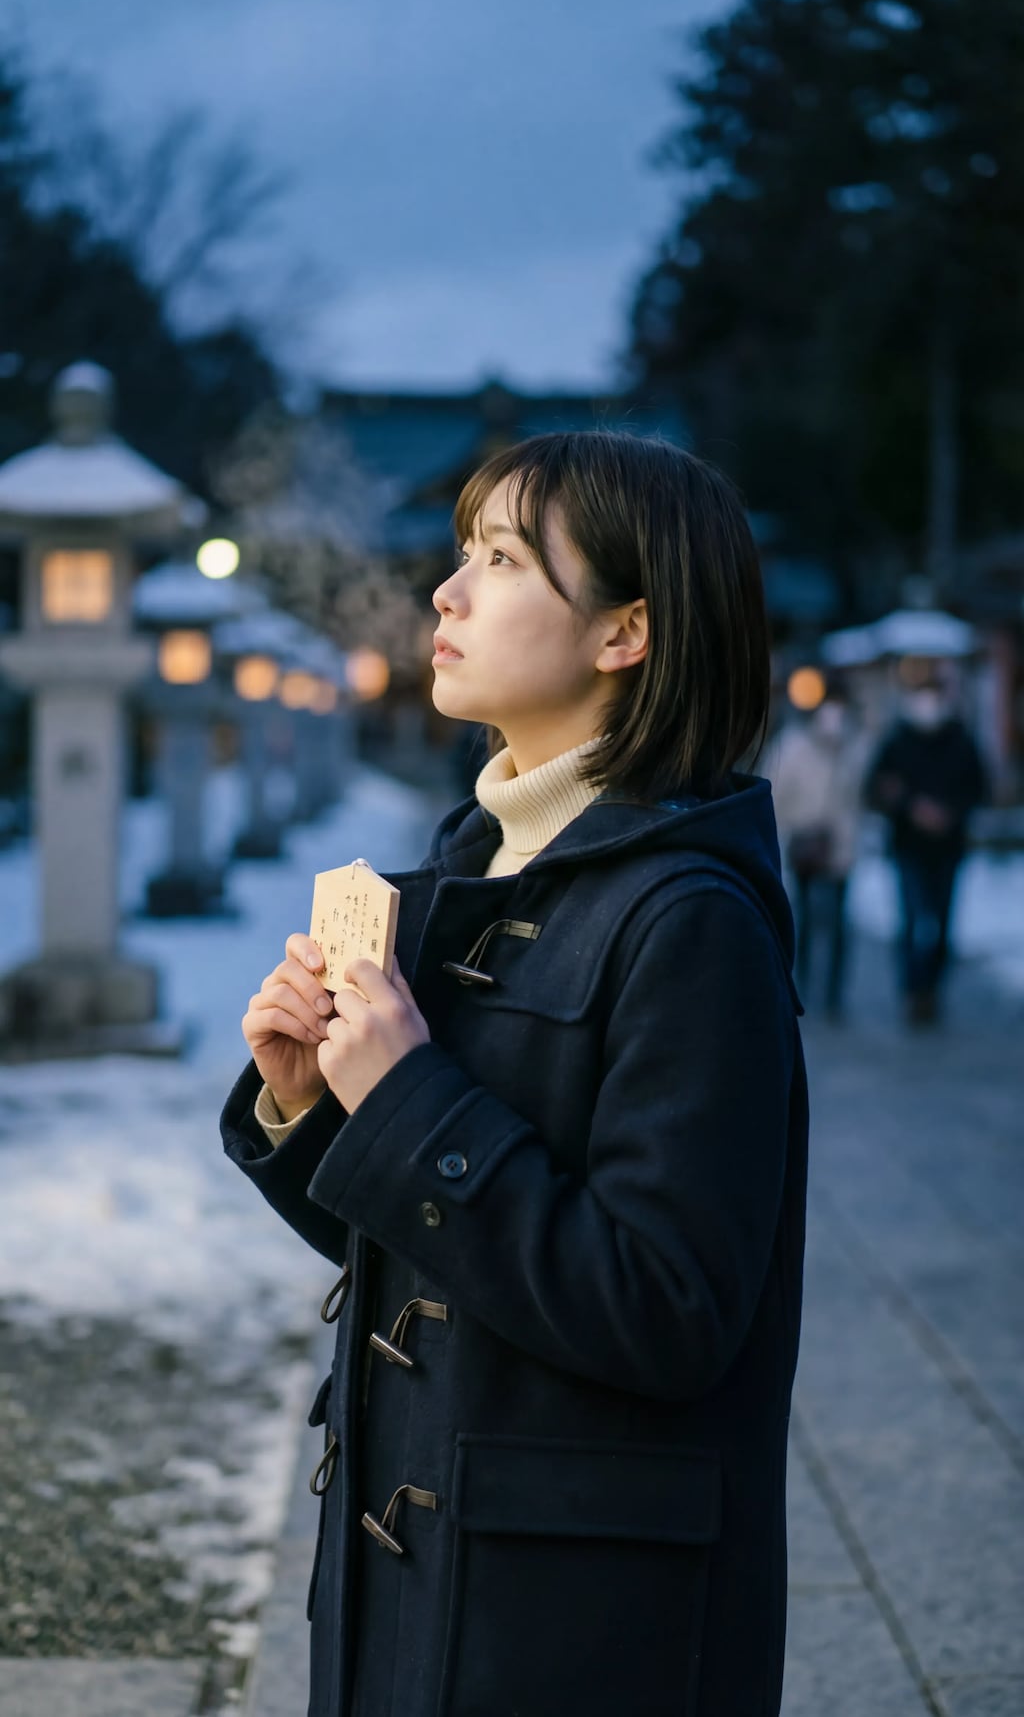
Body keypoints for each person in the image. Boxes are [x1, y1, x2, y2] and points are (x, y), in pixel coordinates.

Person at [222, 432, 809, 1717]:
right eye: (459, 554)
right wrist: (315, 1108)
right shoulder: (478, 877)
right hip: (420, 1565)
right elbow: (450, 1251)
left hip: (573, 1622)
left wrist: (413, 1097)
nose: (446, 591)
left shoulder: (687, 919)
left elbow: (665, 1304)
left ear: (625, 632)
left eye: (498, 559)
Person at [864, 661, 988, 1025]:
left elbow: (978, 788)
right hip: (908, 847)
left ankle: (932, 990)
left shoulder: (961, 740)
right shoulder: (897, 740)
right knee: (913, 921)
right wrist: (909, 806)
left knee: (942, 925)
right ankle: (912, 991)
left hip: (949, 849)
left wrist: (949, 813)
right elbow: (875, 788)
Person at [765, 675, 869, 1020]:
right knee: (806, 918)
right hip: (806, 846)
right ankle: (806, 984)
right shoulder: (792, 745)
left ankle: (834, 994)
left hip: (842, 846)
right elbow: (776, 794)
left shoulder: (857, 746)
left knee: (839, 923)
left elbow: (860, 798)